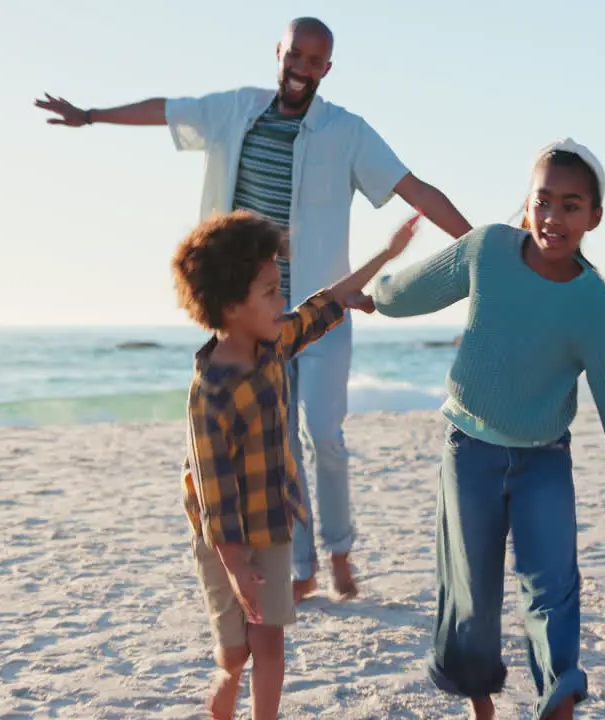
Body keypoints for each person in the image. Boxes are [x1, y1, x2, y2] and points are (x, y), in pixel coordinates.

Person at [35, 17, 472, 601]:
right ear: (280, 54)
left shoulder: (347, 132)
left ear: (326, 69)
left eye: (315, 61)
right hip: (253, 318)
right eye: (295, 55)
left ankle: (341, 550)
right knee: (282, 445)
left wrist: (481, 247)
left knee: (326, 435)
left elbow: (414, 189)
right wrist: (92, 115)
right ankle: (305, 567)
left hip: (321, 313)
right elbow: (168, 109)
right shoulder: (236, 110)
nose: (302, 68)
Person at [365, 139, 605, 720]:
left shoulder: (594, 306)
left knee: (553, 586)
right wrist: (369, 295)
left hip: (543, 460)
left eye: (571, 205)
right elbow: (413, 289)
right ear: (526, 204)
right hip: (469, 452)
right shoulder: (487, 249)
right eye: (543, 201)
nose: (553, 217)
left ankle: (559, 692)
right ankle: (480, 702)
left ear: (594, 217)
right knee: (472, 591)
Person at [172, 209, 421, 720]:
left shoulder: (272, 343)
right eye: (268, 292)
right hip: (223, 541)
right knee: (236, 653)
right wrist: (237, 567)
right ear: (231, 305)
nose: (281, 300)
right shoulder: (210, 392)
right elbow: (214, 492)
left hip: (272, 523)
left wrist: (387, 255)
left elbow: (325, 303)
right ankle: (224, 685)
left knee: (270, 644)